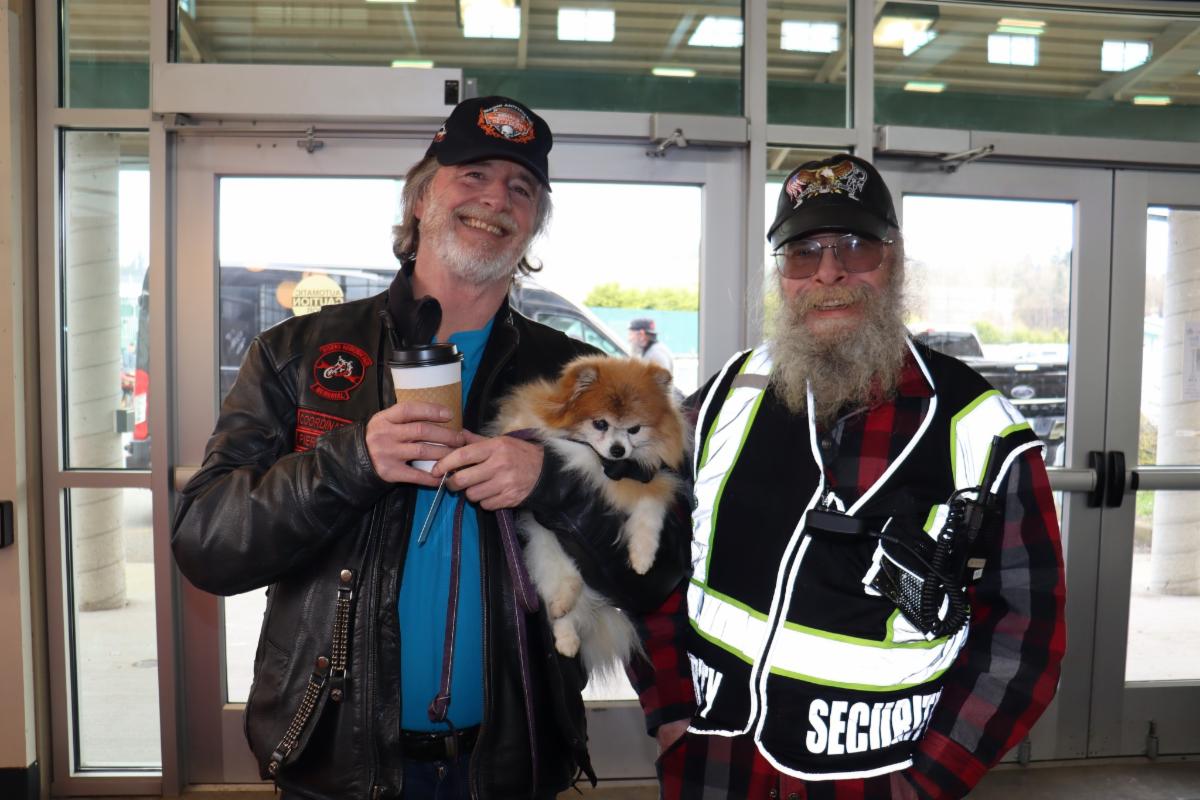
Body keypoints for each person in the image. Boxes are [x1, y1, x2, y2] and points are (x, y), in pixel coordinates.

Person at [172, 96, 686, 800]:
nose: (496, 198)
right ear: (419, 199)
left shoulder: (573, 378)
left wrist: (553, 484)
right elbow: (206, 542)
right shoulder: (299, 352)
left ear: (533, 224)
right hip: (336, 761)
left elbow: (656, 574)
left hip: (510, 765)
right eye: (473, 175)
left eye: (522, 188)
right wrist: (352, 462)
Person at [629, 154, 1066, 799]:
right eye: (802, 253)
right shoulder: (724, 398)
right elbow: (648, 558)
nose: (828, 272)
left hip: (876, 779)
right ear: (781, 275)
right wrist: (669, 711)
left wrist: (929, 781)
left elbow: (1025, 635)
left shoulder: (980, 427)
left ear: (895, 261)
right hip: (714, 764)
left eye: (856, 246)